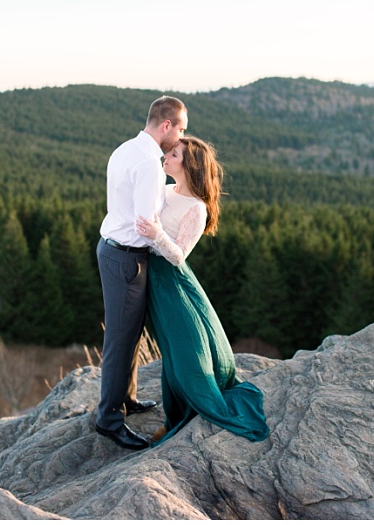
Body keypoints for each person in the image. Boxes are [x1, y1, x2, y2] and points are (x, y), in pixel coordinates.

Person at [136, 136, 269, 444]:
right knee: (171, 349)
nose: (166, 157)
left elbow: (179, 254)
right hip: (154, 280)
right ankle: (175, 413)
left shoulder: (197, 208)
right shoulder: (166, 191)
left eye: (173, 154)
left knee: (186, 350)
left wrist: (156, 234)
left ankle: (197, 402)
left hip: (172, 282)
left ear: (189, 164)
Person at [95, 95, 188, 450]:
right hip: (127, 258)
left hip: (113, 250)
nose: (180, 138)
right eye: (180, 129)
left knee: (130, 332)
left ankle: (127, 398)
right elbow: (146, 222)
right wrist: (173, 250)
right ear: (166, 125)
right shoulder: (150, 163)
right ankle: (109, 420)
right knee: (120, 338)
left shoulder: (126, 149)